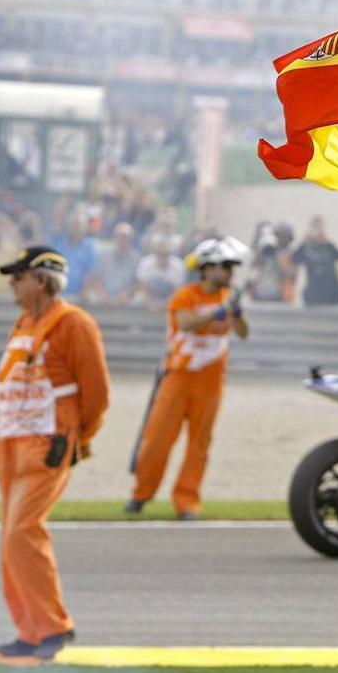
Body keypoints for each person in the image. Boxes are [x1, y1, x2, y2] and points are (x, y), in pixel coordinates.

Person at [0, 246, 110, 658]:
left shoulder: (74, 324)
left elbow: (96, 394)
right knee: (10, 540)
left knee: (24, 531)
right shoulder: (24, 321)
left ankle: (54, 627)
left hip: (48, 444)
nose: (12, 283)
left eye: (19, 276)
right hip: (12, 445)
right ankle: (29, 630)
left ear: (42, 281)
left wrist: (78, 437)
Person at [126, 237, 249, 519]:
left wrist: (238, 313)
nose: (230, 273)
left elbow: (242, 333)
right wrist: (218, 312)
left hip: (211, 380)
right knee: (157, 439)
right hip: (178, 376)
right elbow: (185, 323)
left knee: (199, 444)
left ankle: (187, 501)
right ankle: (141, 494)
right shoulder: (186, 295)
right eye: (226, 267)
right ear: (207, 269)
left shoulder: (227, 299)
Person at [292, 215, 338, 306]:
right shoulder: (306, 248)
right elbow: (295, 259)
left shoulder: (328, 247)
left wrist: (327, 243)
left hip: (332, 290)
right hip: (314, 290)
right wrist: (303, 243)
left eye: (318, 228)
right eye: (314, 227)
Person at [84, 222, 141, 305]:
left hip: (126, 298)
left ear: (131, 238)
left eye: (126, 237)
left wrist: (128, 293)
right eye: (120, 236)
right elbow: (94, 277)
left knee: (139, 300)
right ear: (115, 237)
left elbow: (138, 282)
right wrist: (102, 293)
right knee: (92, 298)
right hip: (104, 296)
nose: (123, 240)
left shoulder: (136, 258)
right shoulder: (103, 255)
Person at [46, 211, 98, 297]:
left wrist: (83, 294)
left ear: (84, 228)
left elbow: (89, 273)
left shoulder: (89, 247)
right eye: (73, 225)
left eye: (78, 225)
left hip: (78, 295)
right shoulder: (58, 241)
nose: (75, 228)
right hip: (57, 293)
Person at [134, 233, 186, 302]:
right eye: (160, 252)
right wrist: (150, 303)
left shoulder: (178, 265)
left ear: (170, 252)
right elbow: (141, 285)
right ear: (156, 251)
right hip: (148, 299)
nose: (162, 255)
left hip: (170, 299)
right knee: (137, 299)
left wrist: (167, 303)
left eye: (165, 253)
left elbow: (178, 289)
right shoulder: (145, 262)